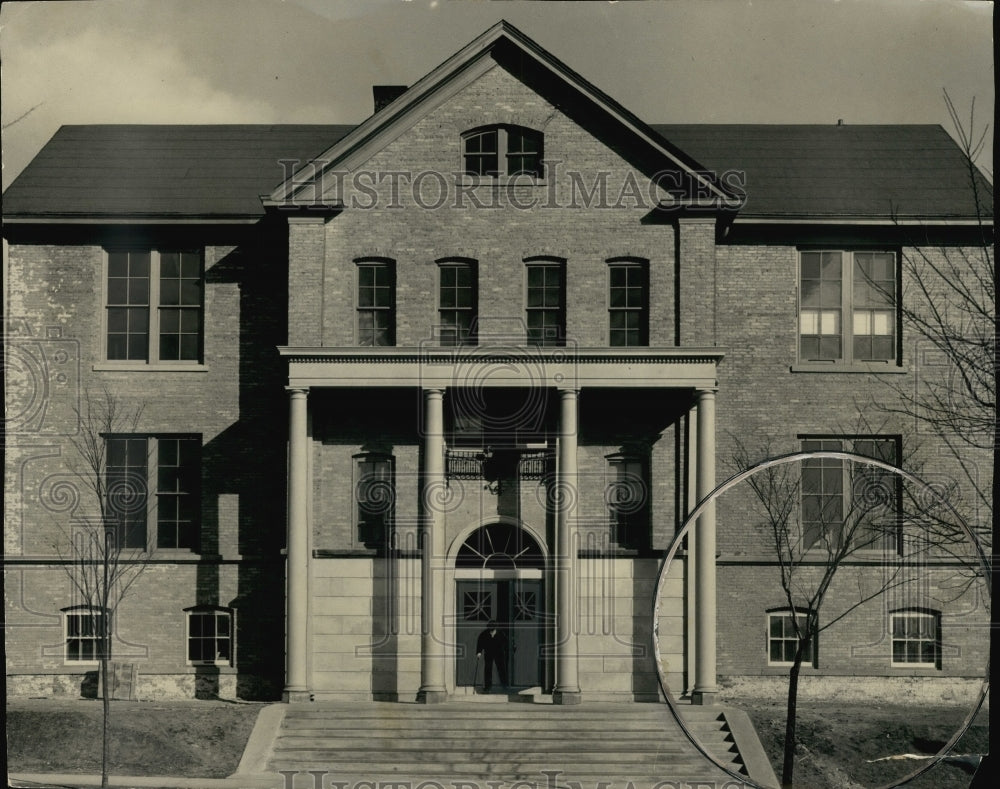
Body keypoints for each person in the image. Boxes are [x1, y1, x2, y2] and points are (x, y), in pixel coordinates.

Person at [476, 620, 508, 692]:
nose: (491, 632)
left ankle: (504, 685)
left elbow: (506, 643)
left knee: (501, 668)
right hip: (488, 653)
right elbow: (480, 643)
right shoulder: (484, 634)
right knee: (488, 669)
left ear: (495, 629)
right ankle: (488, 686)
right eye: (490, 630)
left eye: (492, 630)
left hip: (499, 653)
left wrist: (507, 650)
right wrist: (479, 652)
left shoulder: (501, 634)